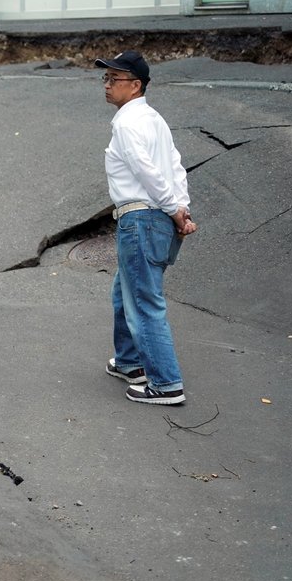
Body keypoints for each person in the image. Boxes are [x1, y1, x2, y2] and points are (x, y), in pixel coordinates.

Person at [96, 50, 196, 405]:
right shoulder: (154, 119)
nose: (107, 86)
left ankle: (166, 384)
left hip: (141, 218)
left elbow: (147, 171)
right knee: (125, 292)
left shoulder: (127, 123)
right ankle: (129, 361)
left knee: (143, 301)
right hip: (156, 217)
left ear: (136, 85)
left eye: (114, 79)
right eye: (105, 78)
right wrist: (181, 209)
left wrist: (173, 210)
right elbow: (175, 167)